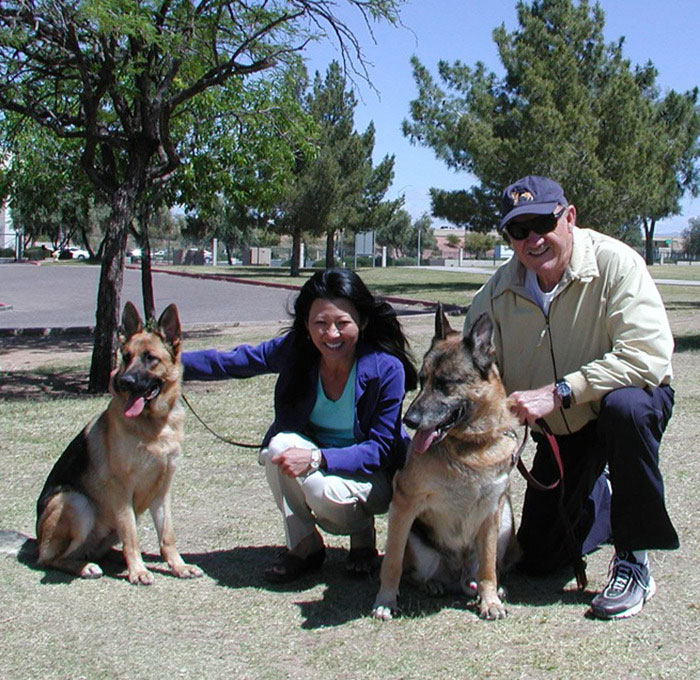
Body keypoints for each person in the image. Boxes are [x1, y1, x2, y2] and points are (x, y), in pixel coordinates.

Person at [463, 175, 679, 620]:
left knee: (627, 409)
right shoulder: (497, 292)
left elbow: (648, 356)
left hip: (622, 405)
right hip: (564, 432)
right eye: (518, 231)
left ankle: (634, 560)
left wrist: (562, 391)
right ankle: (602, 494)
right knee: (539, 559)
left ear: (569, 217)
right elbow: (471, 367)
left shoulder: (616, 262)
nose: (532, 239)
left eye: (543, 222)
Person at [182, 268, 417, 583]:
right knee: (278, 447)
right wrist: (165, 363)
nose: (331, 334)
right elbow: (233, 361)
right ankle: (305, 545)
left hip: (373, 478)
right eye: (320, 323)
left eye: (342, 323)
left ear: (361, 321)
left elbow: (381, 450)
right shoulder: (297, 350)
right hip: (321, 465)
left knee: (322, 490)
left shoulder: (386, 368)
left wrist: (318, 458)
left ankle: (362, 534)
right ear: (306, 325)